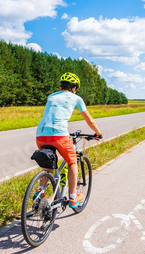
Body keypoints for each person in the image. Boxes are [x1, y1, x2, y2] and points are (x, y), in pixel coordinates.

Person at [35, 72, 102, 208]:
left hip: (40, 134)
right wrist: (98, 133)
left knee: (48, 164)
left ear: (61, 86)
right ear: (74, 88)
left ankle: (40, 191)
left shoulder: (51, 96)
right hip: (59, 134)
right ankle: (72, 197)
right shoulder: (76, 98)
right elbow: (89, 120)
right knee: (72, 161)